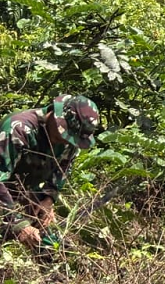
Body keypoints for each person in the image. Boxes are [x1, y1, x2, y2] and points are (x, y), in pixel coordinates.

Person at [0, 95, 100, 253]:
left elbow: (62, 171)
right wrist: (17, 224)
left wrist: (48, 200)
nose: (66, 142)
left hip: (22, 190)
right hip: (3, 190)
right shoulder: (18, 129)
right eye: (65, 134)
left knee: (53, 246)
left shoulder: (69, 143)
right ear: (55, 115)